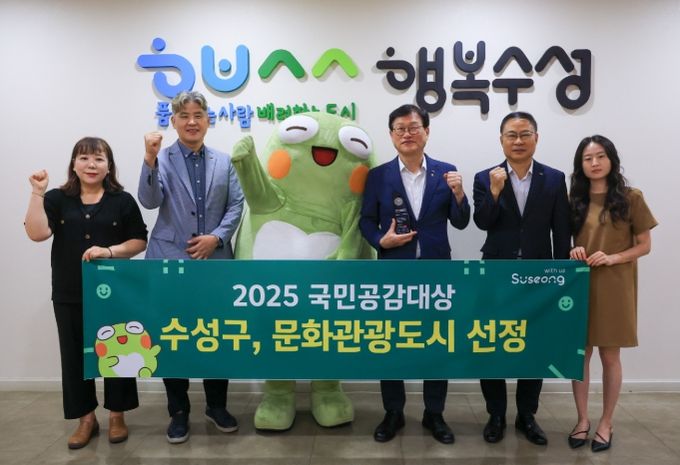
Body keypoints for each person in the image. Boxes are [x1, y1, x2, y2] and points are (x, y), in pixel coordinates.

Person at [24, 137, 148, 449]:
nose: (91, 165)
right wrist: (37, 193)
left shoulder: (122, 201)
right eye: (84, 158)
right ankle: (86, 419)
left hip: (115, 292)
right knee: (75, 356)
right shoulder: (57, 198)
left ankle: (117, 415)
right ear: (74, 164)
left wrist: (110, 250)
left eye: (99, 159)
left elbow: (139, 241)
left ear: (109, 166)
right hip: (69, 290)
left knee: (119, 352)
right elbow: (37, 233)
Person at [359, 104, 470, 444]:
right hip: (393, 272)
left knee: (437, 342)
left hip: (436, 274)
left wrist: (459, 194)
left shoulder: (446, 172)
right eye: (399, 128)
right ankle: (393, 411)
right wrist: (381, 240)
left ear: (426, 131)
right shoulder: (378, 176)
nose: (407, 134)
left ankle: (434, 413)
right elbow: (366, 220)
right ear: (391, 135)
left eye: (413, 127)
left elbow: (461, 221)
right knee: (390, 343)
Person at [138, 90, 244, 444]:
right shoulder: (162, 159)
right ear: (174, 121)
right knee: (173, 336)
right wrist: (149, 159)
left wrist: (217, 237)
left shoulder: (223, 161)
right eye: (184, 116)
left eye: (198, 115)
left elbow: (236, 204)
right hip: (170, 260)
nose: (192, 122)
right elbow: (149, 200)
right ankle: (179, 412)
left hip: (215, 262)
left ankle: (217, 406)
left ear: (208, 120)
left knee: (217, 334)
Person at [472, 111, 570, 446]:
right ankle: (496, 415)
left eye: (524, 134)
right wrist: (495, 191)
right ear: (501, 140)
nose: (518, 141)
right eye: (511, 135)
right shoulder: (486, 177)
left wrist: (561, 275)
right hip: (496, 274)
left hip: (539, 275)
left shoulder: (554, 179)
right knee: (491, 343)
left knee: (534, 345)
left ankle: (527, 415)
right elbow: (482, 222)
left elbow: (562, 229)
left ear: (536, 138)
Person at [567, 135, 656, 452]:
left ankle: (606, 422)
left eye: (600, 156)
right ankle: (582, 420)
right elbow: (565, 239)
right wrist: (573, 249)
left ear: (612, 160)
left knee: (610, 356)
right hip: (579, 284)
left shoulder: (631, 198)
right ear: (580, 164)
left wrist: (614, 257)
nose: (594, 163)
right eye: (588, 158)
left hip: (616, 285)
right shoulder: (574, 200)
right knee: (580, 355)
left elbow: (644, 245)